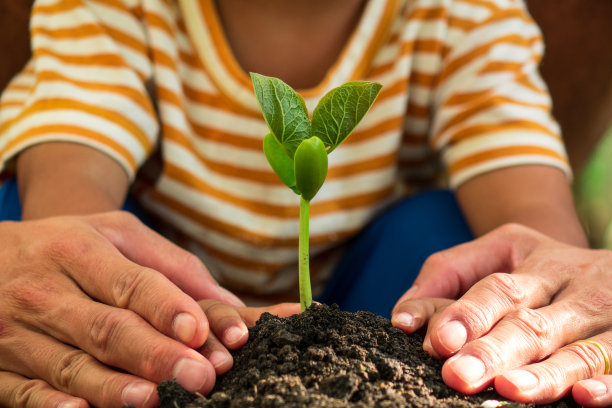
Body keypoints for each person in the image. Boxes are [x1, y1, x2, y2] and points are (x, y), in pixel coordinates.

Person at [0, 0, 609, 407]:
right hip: (179, 323)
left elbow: (534, 234)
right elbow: (67, 202)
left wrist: (555, 291)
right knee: (26, 233)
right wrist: (82, 282)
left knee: (454, 236)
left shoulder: (462, 13)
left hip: (377, 314)